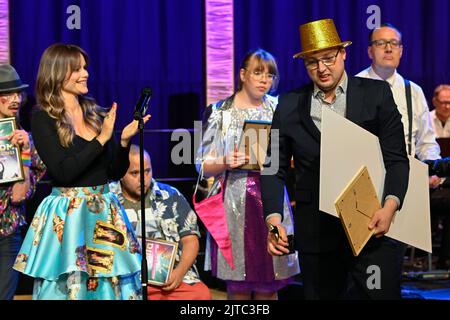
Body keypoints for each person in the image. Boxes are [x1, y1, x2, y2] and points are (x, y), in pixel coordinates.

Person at [261, 19, 410, 299]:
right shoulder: (289, 104)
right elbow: (273, 168)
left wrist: (390, 207)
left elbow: (397, 160)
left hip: (373, 227)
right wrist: (273, 219)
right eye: (312, 62)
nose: (322, 68)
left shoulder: (376, 94)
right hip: (316, 234)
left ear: (343, 54)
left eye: (328, 58)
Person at [12, 44, 150, 300]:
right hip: (70, 215)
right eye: (77, 69)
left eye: (85, 67)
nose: (85, 73)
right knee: (72, 285)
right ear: (57, 74)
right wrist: (101, 140)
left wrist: (122, 141)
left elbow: (113, 171)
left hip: (103, 211)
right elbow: (64, 172)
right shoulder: (44, 119)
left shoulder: (96, 114)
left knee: (108, 284)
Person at [196, 48, 300, 300]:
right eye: (258, 73)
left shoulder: (280, 108)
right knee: (238, 285)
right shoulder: (219, 111)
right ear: (243, 75)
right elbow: (201, 164)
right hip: (234, 203)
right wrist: (224, 161)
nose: (265, 79)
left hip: (273, 202)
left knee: (270, 282)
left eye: (270, 75)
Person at [110, 145, 211, 300]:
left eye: (147, 171)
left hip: (168, 279)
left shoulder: (171, 195)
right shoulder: (109, 199)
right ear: (122, 173)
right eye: (134, 173)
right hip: (125, 280)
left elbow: (191, 240)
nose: (142, 178)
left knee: (200, 294)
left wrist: (179, 272)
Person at [356, 23, 441, 188]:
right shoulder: (354, 86)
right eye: (381, 43)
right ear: (370, 51)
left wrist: (432, 169)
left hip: (407, 182)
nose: (388, 48)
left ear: (400, 51)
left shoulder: (414, 91)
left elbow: (426, 142)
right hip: (364, 182)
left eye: (394, 43)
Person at [0, 64, 46, 300]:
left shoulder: (24, 139)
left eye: (18, 94)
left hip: (7, 233)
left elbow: (19, 195)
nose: (15, 99)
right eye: (7, 95)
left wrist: (25, 153)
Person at [429, 84, 450, 269]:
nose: (447, 107)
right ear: (435, 101)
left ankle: (445, 258)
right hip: (428, 184)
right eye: (443, 102)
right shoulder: (426, 120)